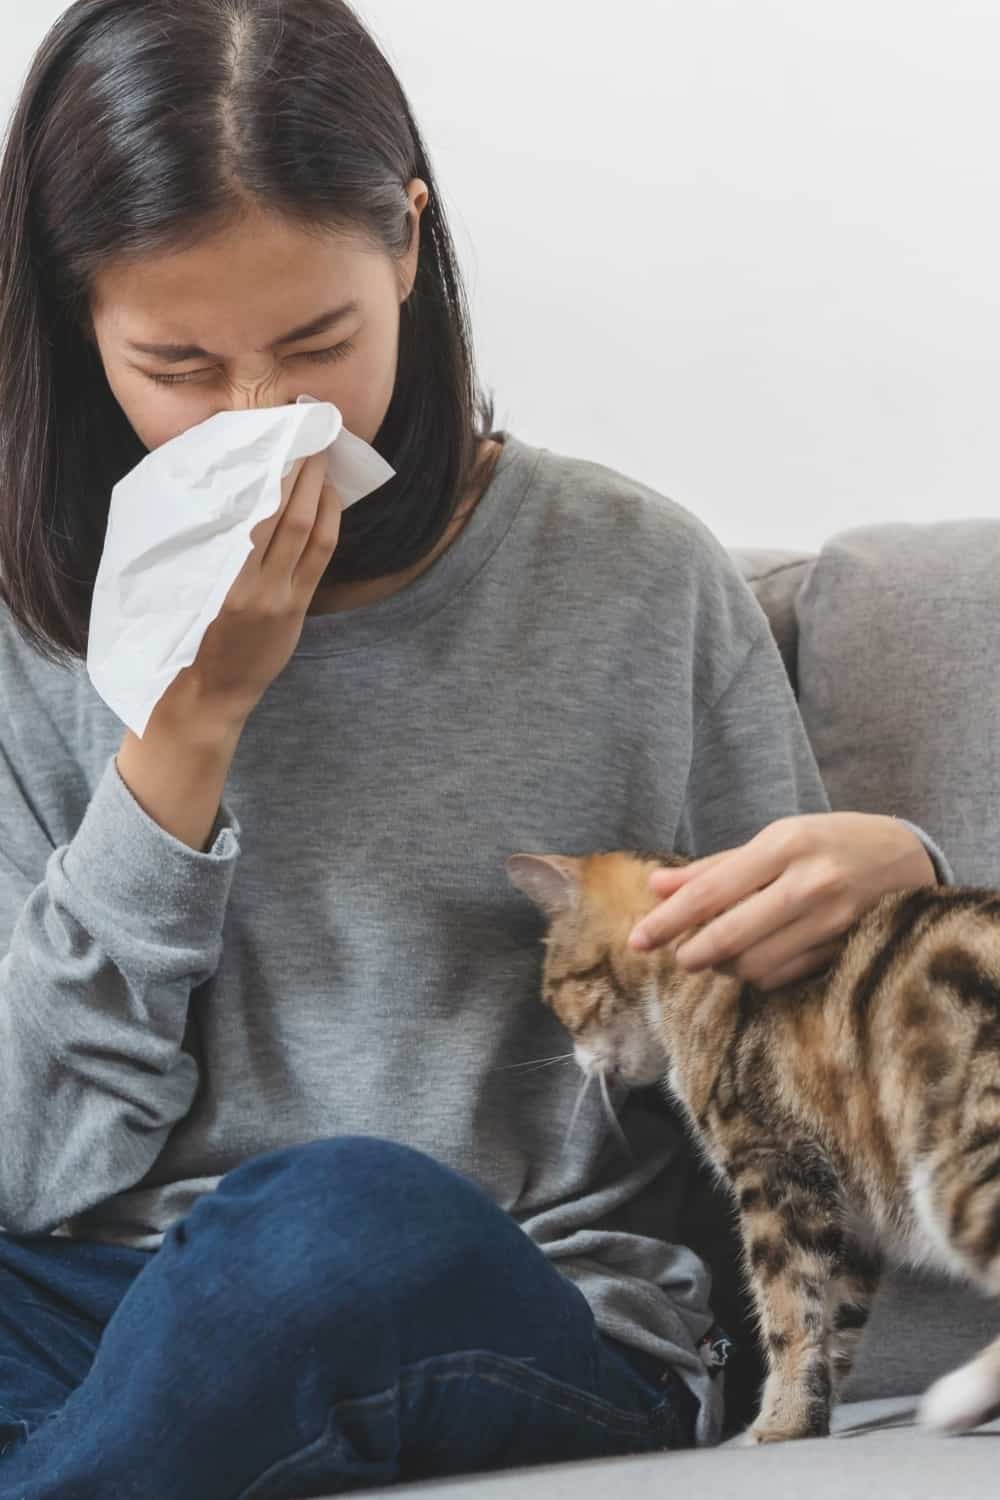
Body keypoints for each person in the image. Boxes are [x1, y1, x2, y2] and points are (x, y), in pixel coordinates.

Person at [0, 2, 952, 1496]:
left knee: (332, 1224)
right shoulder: (35, 628)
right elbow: (31, 1164)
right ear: (76, 325)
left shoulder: (629, 575)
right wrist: (182, 741)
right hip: (89, 1299)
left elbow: (793, 1069)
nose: (267, 418)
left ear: (406, 251)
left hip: (506, 1294)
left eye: (319, 342)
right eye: (178, 366)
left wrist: (902, 873)